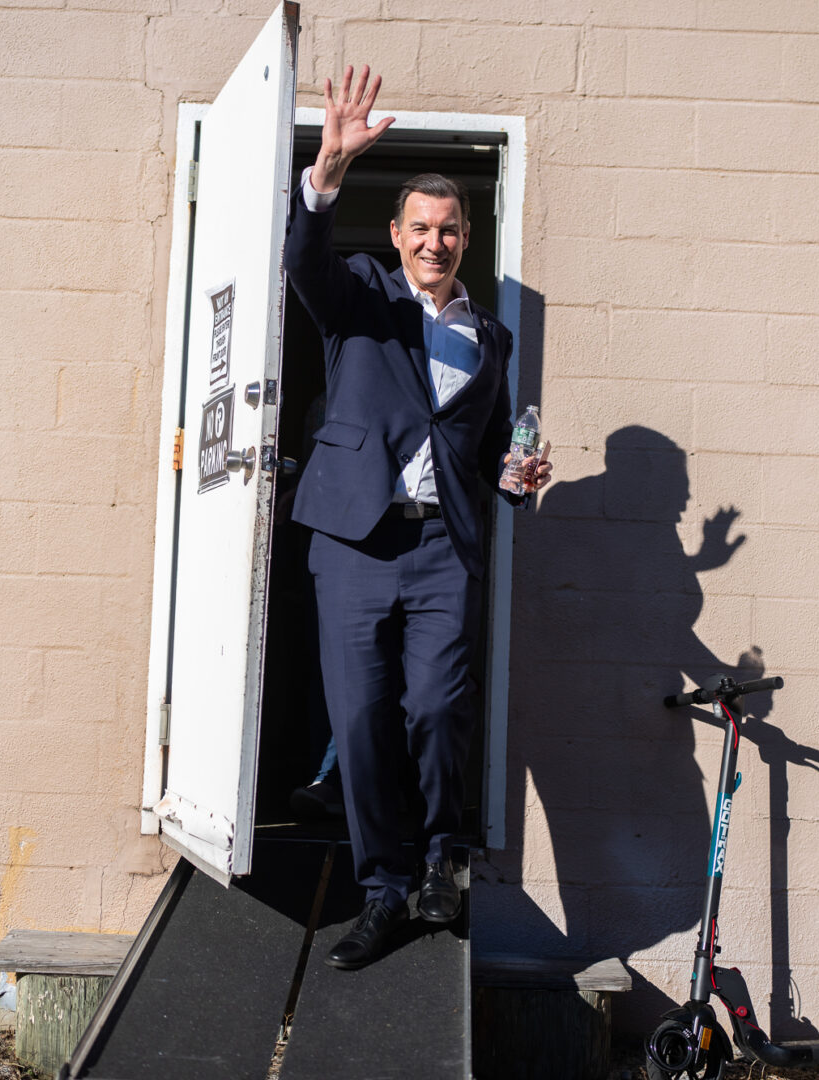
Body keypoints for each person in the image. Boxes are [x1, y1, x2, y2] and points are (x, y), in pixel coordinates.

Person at [285, 64, 552, 969]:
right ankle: (382, 889)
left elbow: (480, 452)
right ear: (397, 236)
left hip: (444, 546)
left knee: (439, 706)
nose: (435, 242)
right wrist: (328, 171)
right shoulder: (359, 293)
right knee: (359, 721)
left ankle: (443, 854)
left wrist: (516, 480)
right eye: (420, 229)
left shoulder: (490, 334)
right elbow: (302, 261)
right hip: (356, 542)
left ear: (466, 238)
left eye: (449, 229)